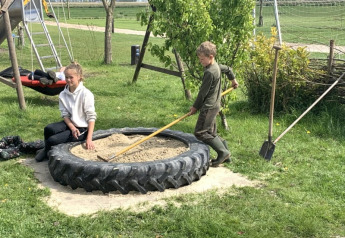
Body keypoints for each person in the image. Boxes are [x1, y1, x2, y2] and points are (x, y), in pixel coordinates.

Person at [188, 41, 239, 167]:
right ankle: (226, 154)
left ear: (210, 56)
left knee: (201, 132)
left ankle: (223, 152)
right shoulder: (216, 66)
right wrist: (233, 80)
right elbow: (228, 69)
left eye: (202, 59)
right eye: (200, 59)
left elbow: (202, 94)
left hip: (209, 107)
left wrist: (195, 107)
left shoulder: (209, 72)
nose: (201, 62)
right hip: (216, 105)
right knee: (211, 133)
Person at [35, 62, 97, 162]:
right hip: (70, 123)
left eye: (71, 77)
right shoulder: (63, 94)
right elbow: (65, 115)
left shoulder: (86, 94)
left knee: (53, 140)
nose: (68, 80)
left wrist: (89, 139)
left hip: (82, 128)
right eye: (66, 77)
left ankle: (48, 150)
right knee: (48, 129)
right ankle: (46, 150)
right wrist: (72, 128)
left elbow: (91, 117)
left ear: (79, 77)